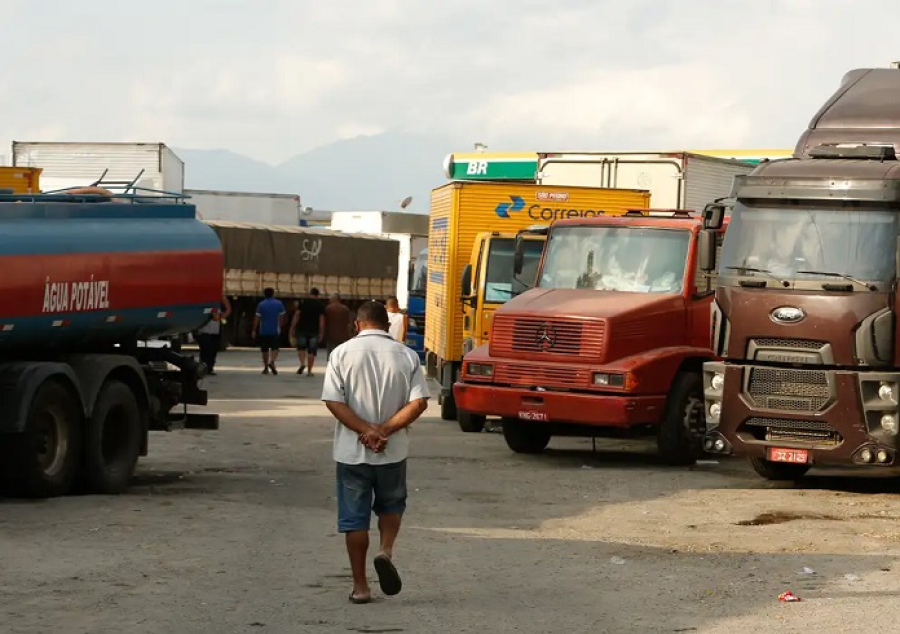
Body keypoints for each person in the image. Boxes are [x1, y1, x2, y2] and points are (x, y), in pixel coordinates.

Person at [322, 301, 429, 604]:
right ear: (387, 324)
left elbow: (333, 401)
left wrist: (365, 431)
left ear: (358, 324)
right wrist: (384, 431)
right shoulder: (407, 355)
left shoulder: (341, 354)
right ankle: (385, 551)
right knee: (391, 505)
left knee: (354, 520)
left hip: (352, 453)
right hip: (392, 451)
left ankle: (360, 587)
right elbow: (419, 402)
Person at [290, 288, 326, 376]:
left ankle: (302, 364)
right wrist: (321, 332)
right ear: (317, 295)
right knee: (312, 351)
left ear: (310, 293)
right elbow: (321, 320)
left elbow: (297, 315)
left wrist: (292, 327)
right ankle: (309, 371)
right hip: (314, 330)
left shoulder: (303, 302)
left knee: (301, 348)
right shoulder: (320, 305)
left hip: (302, 329)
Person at [252, 287, 286, 375]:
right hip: (275, 330)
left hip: (263, 330)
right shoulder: (279, 304)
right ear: (273, 294)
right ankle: (272, 361)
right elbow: (281, 317)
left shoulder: (261, 305)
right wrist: (281, 325)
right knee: (275, 348)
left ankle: (266, 367)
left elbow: (257, 318)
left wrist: (254, 329)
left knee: (264, 349)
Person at [195, 295, 232, 376]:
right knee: (205, 351)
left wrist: (222, 315)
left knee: (212, 351)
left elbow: (227, 309)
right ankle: (204, 368)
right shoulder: (202, 304)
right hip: (204, 331)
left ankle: (209, 368)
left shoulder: (217, 305)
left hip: (214, 331)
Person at [324, 292, 353, 357]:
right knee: (341, 353)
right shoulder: (345, 309)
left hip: (330, 335)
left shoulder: (328, 309)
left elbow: (324, 322)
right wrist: (349, 334)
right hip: (342, 335)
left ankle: (331, 365)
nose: (329, 300)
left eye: (330, 299)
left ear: (334, 299)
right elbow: (349, 323)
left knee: (330, 354)